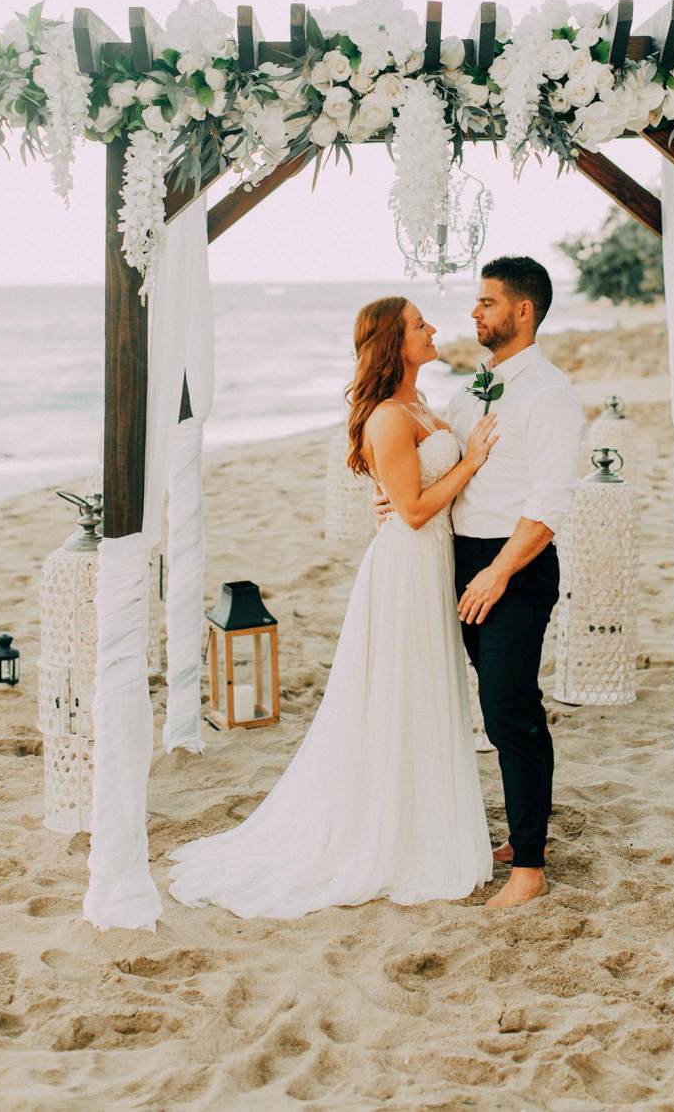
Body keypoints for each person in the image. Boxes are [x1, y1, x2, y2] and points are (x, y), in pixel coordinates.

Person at [168, 296, 499, 918]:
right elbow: (415, 510)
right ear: (394, 342)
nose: (433, 331)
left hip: (432, 561)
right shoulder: (385, 418)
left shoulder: (422, 405)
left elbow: (414, 496)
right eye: (420, 325)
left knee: (426, 691)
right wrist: (472, 460)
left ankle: (421, 817)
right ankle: (387, 832)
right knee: (400, 692)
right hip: (405, 566)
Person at [379, 256, 584, 908]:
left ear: (522, 312)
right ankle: (531, 836)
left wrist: (498, 573)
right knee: (497, 708)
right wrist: (398, 499)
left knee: (508, 708)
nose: (475, 313)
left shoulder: (549, 395)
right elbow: (447, 470)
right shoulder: (472, 391)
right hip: (460, 561)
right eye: (476, 302)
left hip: (514, 567)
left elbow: (550, 505)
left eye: (488, 302)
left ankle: (528, 868)